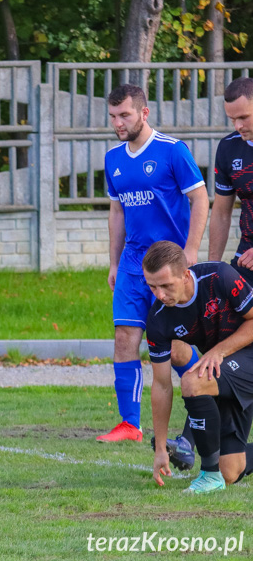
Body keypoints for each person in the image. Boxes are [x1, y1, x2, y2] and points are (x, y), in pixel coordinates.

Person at [100, 84, 209, 450]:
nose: (118, 122)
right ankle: (129, 423)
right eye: (113, 116)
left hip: (167, 266)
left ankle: (209, 390)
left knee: (175, 348)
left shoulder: (172, 151)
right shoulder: (113, 158)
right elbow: (117, 211)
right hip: (133, 265)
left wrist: (190, 249)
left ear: (144, 113)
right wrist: (114, 262)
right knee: (124, 338)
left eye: (125, 115)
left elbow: (200, 198)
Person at [144, 241, 253, 494]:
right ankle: (219, 473)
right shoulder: (158, 320)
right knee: (231, 470)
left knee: (193, 381)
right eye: (152, 286)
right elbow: (161, 385)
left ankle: (208, 475)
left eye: (166, 285)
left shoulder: (219, 276)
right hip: (228, 367)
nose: (159, 294)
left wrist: (218, 351)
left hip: (239, 355)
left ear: (184, 275)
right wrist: (161, 448)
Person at [209, 77, 253, 286]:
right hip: (246, 256)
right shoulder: (228, 148)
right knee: (222, 314)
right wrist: (211, 268)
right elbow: (220, 213)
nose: (238, 126)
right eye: (232, 119)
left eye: (244, 117)